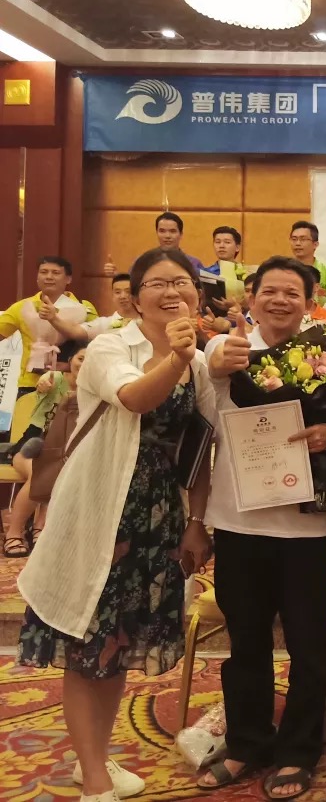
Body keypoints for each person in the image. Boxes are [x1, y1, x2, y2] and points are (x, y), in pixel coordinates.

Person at [17, 248, 216, 802]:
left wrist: (197, 521)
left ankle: (94, 760)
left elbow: (202, 448)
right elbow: (133, 397)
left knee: (119, 644)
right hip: (101, 513)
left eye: (182, 282)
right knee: (88, 644)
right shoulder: (111, 347)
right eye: (157, 283)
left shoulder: (197, 363)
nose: (171, 292)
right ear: (134, 297)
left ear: (197, 294)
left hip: (159, 519)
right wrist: (176, 358)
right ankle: (95, 777)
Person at [201, 257, 326, 800]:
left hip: (303, 528)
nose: (280, 300)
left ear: (310, 302)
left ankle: (298, 750)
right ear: (251, 296)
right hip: (237, 523)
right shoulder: (227, 351)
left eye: (293, 292)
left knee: (308, 647)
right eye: (270, 291)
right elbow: (206, 394)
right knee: (246, 642)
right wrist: (218, 356)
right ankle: (246, 742)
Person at [3, 347, 87, 559]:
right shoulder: (55, 379)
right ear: (70, 360)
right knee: (40, 474)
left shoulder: (92, 389)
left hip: (61, 450)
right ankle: (14, 533)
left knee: (59, 471)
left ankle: (40, 527)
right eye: (80, 358)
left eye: (91, 360)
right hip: (30, 446)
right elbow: (45, 382)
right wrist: (43, 382)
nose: (84, 364)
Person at [0, 256, 98, 395]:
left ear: (68, 279)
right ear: (37, 277)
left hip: (71, 385)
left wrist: (69, 364)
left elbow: (96, 342)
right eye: (44, 272)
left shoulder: (84, 308)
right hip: (31, 385)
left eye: (56, 273)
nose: (49, 277)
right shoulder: (22, 307)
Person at [289, 220, 326, 316]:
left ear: (315, 244)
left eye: (303, 239)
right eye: (294, 239)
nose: (297, 243)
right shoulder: (284, 272)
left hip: (323, 323)